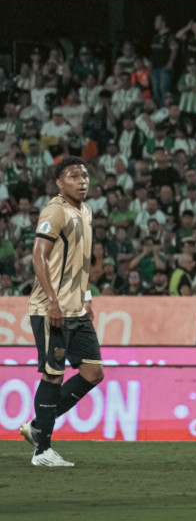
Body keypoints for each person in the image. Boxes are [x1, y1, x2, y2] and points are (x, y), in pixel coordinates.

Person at [18, 157, 100, 467]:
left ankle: (38, 426)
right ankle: (42, 451)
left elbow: (82, 260)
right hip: (52, 308)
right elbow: (39, 256)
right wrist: (52, 301)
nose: (82, 180)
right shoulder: (55, 211)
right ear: (58, 182)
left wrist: (87, 295)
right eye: (73, 176)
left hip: (76, 308)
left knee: (93, 372)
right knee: (53, 374)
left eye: (85, 175)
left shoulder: (85, 211)